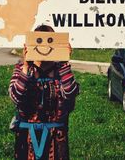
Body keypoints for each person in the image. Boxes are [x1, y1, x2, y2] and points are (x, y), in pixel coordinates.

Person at [9, 25, 79, 160]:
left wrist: (64, 62)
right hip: (27, 140)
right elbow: (16, 97)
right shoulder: (22, 70)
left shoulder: (61, 71)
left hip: (56, 140)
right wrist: (26, 66)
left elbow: (70, 93)